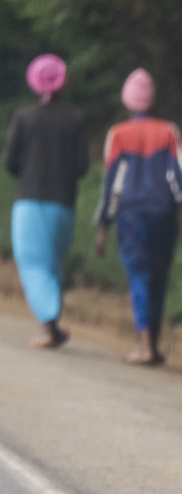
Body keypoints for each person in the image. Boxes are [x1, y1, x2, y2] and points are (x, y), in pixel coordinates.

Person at [93, 68, 182, 366]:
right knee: (159, 278)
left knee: (139, 276)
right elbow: (179, 175)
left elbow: (112, 185)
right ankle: (152, 343)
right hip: (164, 214)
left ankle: (145, 347)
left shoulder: (118, 135)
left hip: (131, 217)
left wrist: (103, 226)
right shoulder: (169, 131)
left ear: (127, 101)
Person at [4, 54, 88, 349]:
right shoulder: (74, 119)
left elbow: (11, 163)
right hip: (64, 204)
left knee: (33, 264)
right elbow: (82, 167)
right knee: (52, 264)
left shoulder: (24, 117)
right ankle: (49, 324)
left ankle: (51, 325)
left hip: (30, 201)